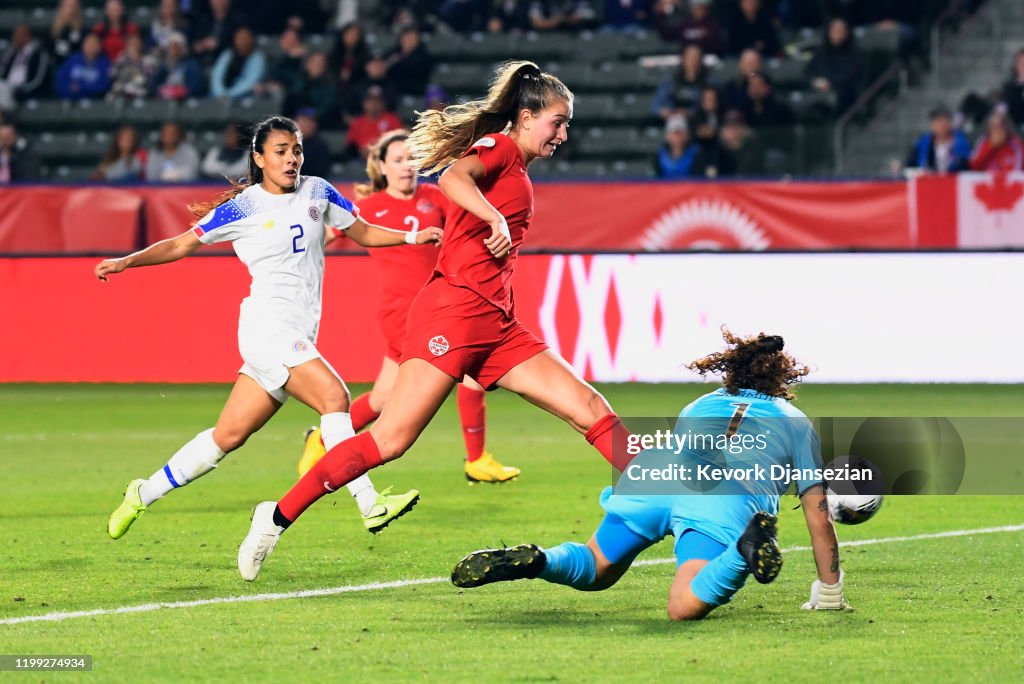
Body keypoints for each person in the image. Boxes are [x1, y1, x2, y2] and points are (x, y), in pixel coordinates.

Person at [237, 60, 631, 581]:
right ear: (527, 116)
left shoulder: (518, 166)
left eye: (567, 125)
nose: (563, 134)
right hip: (452, 313)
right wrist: (492, 217)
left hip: (497, 325)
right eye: (558, 122)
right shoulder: (501, 148)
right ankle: (275, 517)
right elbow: (452, 176)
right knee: (390, 442)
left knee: (590, 406)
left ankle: (677, 490)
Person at [99, 115, 442, 542]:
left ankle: (141, 493)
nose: (292, 159)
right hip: (267, 326)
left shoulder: (319, 190)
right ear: (260, 158)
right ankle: (370, 503)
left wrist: (413, 238)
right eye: (281, 152)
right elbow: (182, 243)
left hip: (296, 331)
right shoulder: (245, 207)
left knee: (227, 436)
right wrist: (129, 260)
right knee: (335, 398)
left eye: (296, 149)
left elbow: (365, 232)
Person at [451, 330, 850, 621]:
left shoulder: (699, 406)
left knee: (593, 566)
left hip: (654, 475)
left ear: (731, 371)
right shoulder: (795, 423)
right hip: (725, 500)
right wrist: (830, 592)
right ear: (783, 380)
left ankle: (540, 560)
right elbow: (818, 517)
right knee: (682, 605)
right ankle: (742, 551)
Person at [298, 129, 520, 483]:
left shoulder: (437, 198)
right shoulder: (369, 208)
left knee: (385, 398)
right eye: (398, 160)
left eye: (412, 160)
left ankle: (320, 438)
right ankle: (476, 460)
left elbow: (469, 224)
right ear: (382, 166)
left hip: (438, 306)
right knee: (472, 374)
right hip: (402, 313)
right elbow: (323, 235)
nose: (407, 167)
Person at [805, 17, 863, 115]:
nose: (838, 33)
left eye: (841, 30)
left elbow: (851, 75)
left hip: (842, 93)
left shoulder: (854, 53)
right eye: (835, 30)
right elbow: (808, 72)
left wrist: (830, 83)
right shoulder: (820, 52)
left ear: (846, 32)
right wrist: (816, 81)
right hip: (818, 91)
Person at [905, 105, 971, 174]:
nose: (940, 127)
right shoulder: (923, 143)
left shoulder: (961, 143)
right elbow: (910, 166)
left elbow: (967, 166)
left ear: (949, 123)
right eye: (937, 123)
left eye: (943, 123)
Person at [345, 85, 403, 159]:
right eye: (370, 101)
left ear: (383, 103)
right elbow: (350, 147)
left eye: (378, 101)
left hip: (385, 158)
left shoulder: (392, 119)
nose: (374, 104)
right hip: (362, 160)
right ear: (364, 104)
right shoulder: (357, 122)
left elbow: (399, 141)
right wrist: (360, 152)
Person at [209, 26, 265, 101]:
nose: (242, 41)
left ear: (251, 40)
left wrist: (228, 95)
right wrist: (219, 93)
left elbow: (250, 82)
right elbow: (217, 75)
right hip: (219, 96)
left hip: (243, 96)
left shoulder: (257, 57)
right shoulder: (228, 54)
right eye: (239, 38)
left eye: (245, 38)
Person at [54, 32, 111, 100]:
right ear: (83, 45)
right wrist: (69, 89)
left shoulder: (104, 63)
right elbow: (60, 80)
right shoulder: (73, 59)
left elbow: (103, 85)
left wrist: (81, 88)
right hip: (70, 98)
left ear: (99, 47)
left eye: (93, 44)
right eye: (88, 43)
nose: (90, 46)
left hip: (94, 102)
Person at [653, 113, 706, 178]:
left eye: (680, 133)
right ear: (668, 136)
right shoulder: (660, 154)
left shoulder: (696, 153)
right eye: (674, 134)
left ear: (686, 135)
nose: (677, 137)